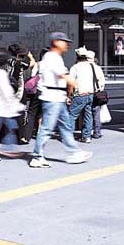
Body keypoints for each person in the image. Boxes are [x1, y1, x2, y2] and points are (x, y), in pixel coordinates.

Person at [30, 32, 92, 167]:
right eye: (64, 42)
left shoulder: (52, 56)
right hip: (52, 97)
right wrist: (75, 84)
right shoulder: (53, 57)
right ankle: (37, 156)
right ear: (56, 42)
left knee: (65, 126)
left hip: (57, 97)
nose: (67, 44)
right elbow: (64, 75)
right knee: (47, 128)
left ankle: (74, 152)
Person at [69, 47, 98, 143]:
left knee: (72, 115)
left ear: (77, 56)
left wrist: (69, 95)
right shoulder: (91, 66)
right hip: (90, 94)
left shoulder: (75, 67)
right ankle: (87, 137)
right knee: (88, 115)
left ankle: (69, 137)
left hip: (79, 95)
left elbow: (70, 83)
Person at [18, 49, 42, 144]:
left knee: (32, 113)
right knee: (42, 114)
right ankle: (40, 133)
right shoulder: (56, 64)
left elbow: (32, 75)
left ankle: (26, 136)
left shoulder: (39, 64)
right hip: (49, 92)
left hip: (36, 91)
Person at [86, 50, 107, 139]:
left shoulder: (83, 67)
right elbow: (102, 81)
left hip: (87, 92)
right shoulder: (98, 68)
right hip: (97, 93)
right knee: (96, 113)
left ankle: (86, 133)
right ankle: (97, 132)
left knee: (87, 114)